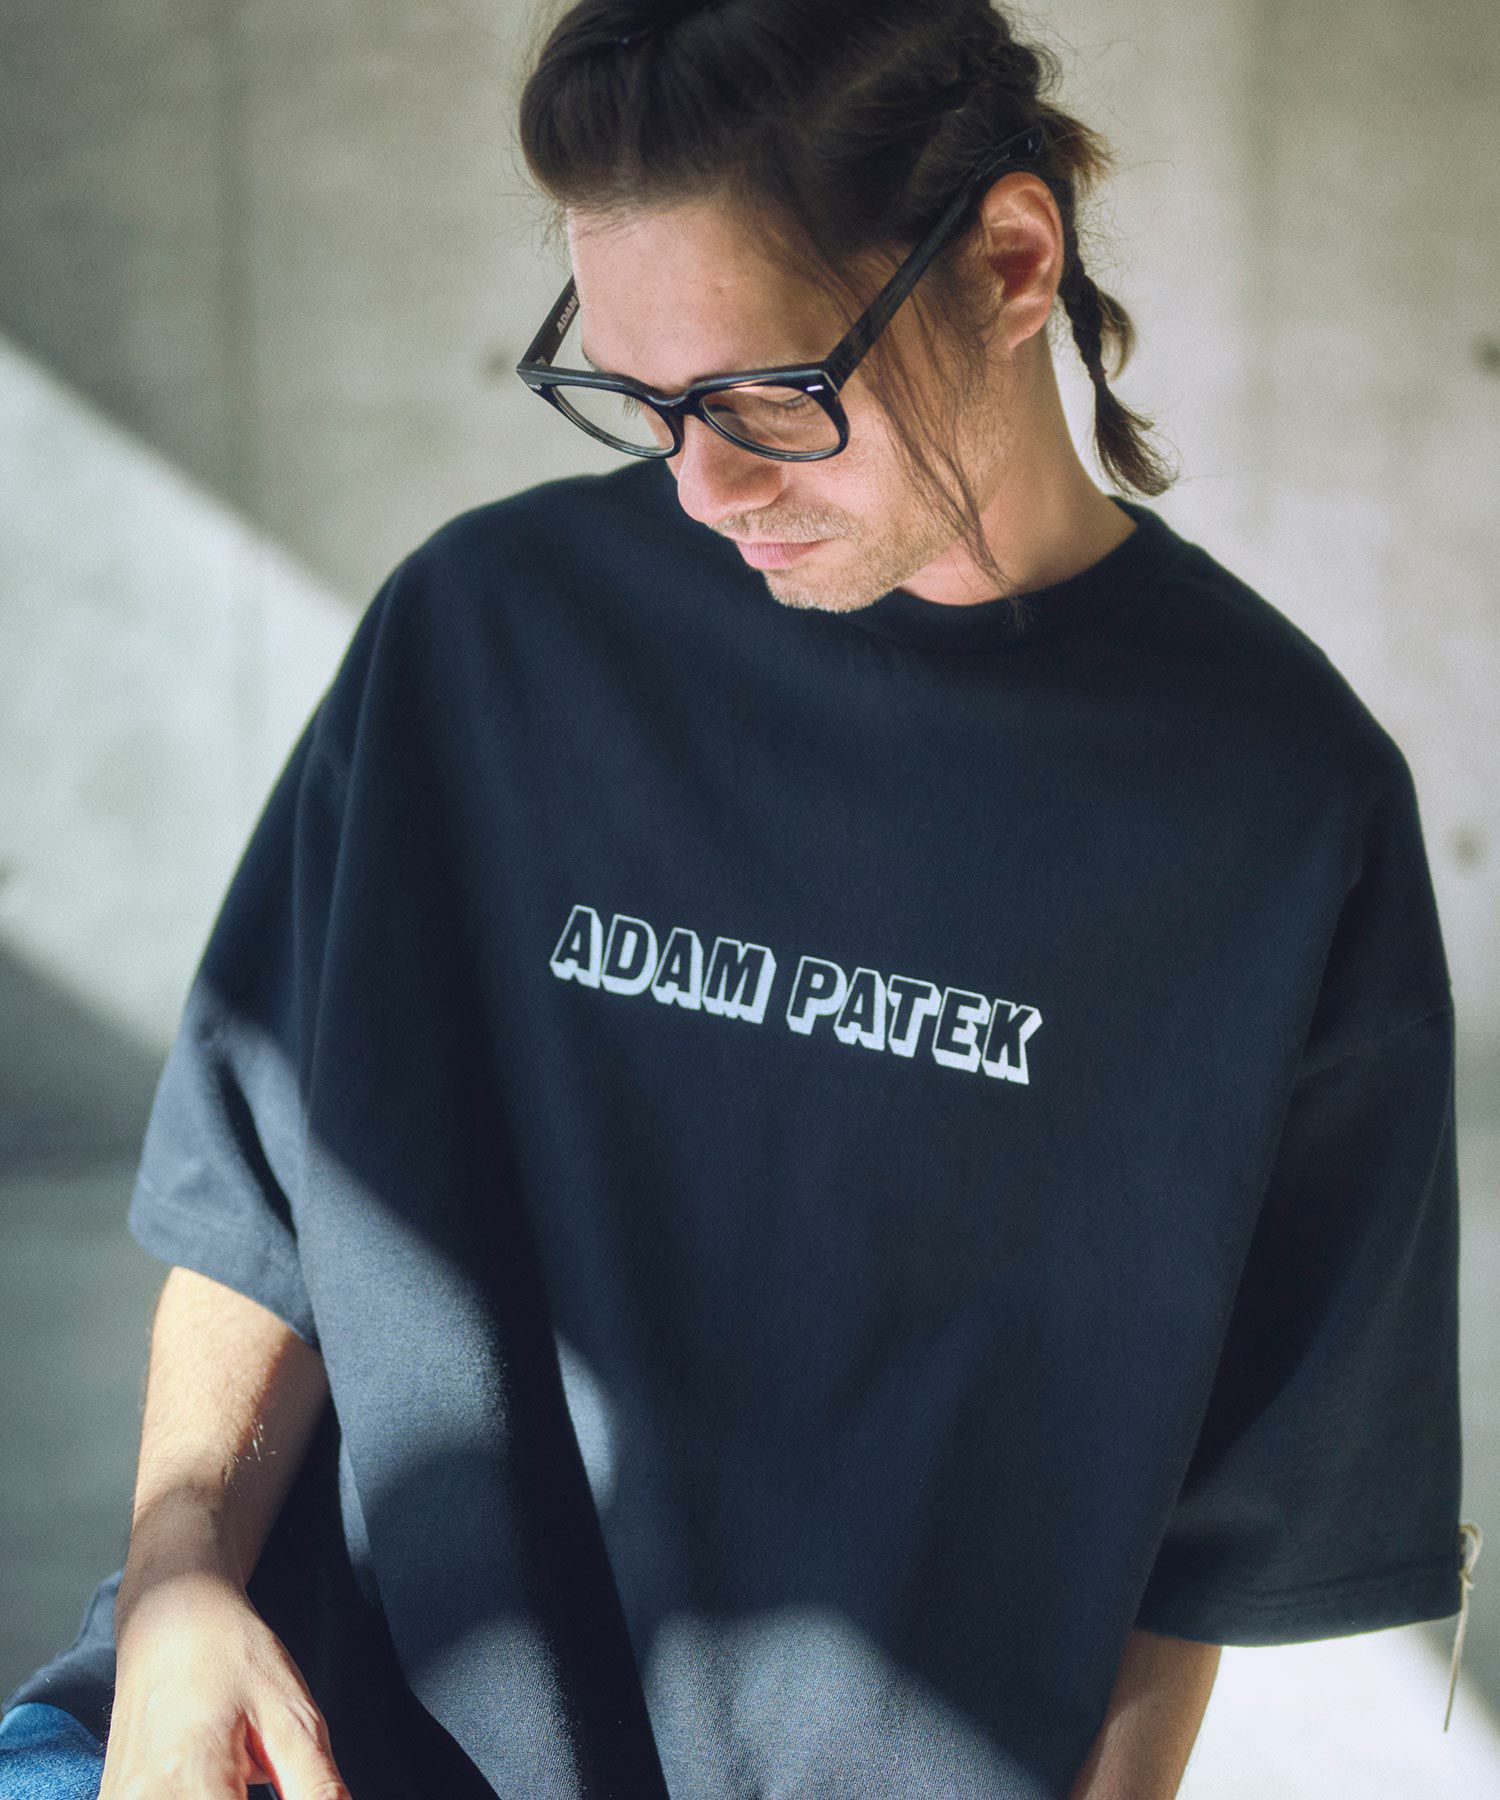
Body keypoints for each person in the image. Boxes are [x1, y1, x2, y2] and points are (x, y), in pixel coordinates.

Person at [0, 0, 1479, 1795]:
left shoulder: (1278, 809)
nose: (705, 489)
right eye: (641, 404)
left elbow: (1226, 1536)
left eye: (770, 395)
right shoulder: (486, 639)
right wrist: (177, 1584)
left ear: (1012, 262)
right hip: (278, 1740)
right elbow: (258, 1200)